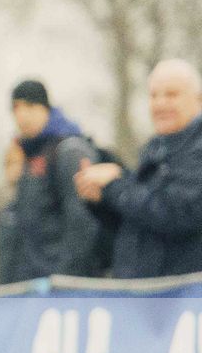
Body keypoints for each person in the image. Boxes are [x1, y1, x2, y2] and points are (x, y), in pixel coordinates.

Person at [75, 59, 202, 280]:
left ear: (198, 99)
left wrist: (116, 184)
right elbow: (138, 224)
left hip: (181, 301)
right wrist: (101, 199)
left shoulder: (196, 150)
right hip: (142, 298)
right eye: (153, 95)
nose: (160, 104)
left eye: (171, 95)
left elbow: (178, 215)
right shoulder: (155, 149)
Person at [0, 79, 106, 283]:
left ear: (46, 108)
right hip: (34, 285)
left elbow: (82, 221)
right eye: (16, 108)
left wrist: (63, 279)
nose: (22, 115)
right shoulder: (27, 155)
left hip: (64, 287)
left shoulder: (68, 150)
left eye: (29, 106)